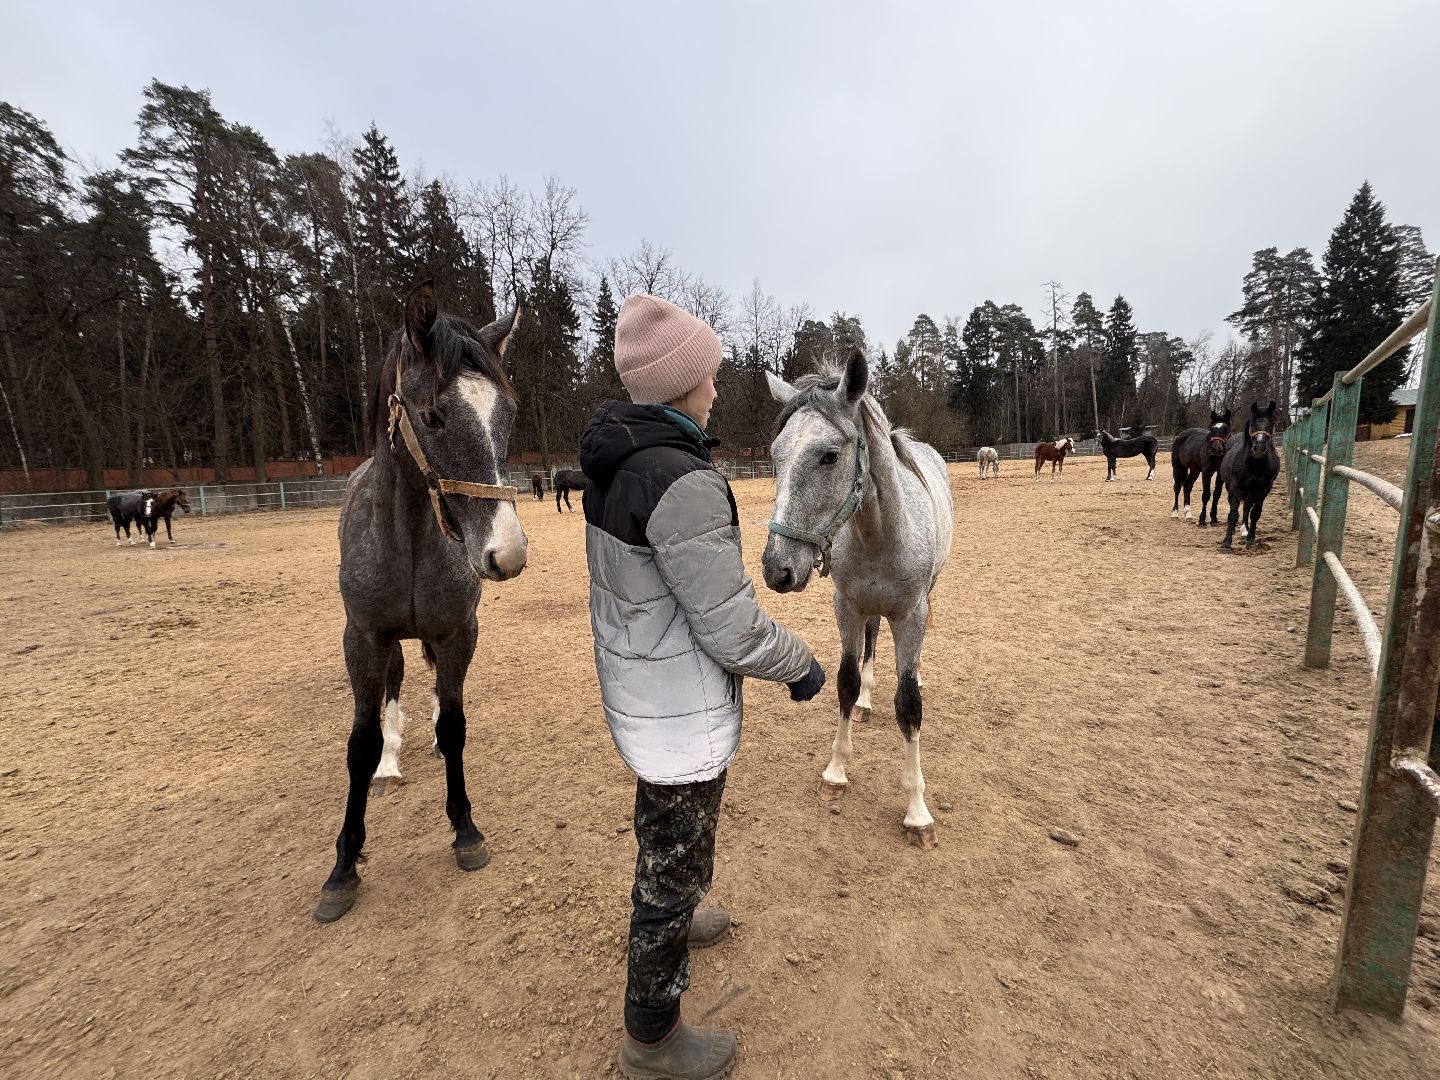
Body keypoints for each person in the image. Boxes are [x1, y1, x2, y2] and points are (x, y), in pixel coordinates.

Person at [580, 293, 826, 1079]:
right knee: (672, 858)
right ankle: (651, 1039)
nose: (716, 388)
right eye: (708, 375)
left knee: (667, 832)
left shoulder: (620, 465)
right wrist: (800, 662)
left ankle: (679, 908)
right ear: (680, 383)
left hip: (645, 690)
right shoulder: (678, 480)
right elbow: (732, 626)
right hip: (677, 708)